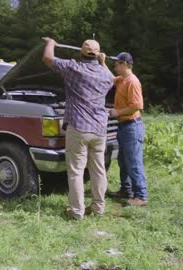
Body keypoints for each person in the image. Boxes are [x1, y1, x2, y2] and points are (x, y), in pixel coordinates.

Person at [42, 37, 114, 220]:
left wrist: (51, 43)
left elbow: (47, 59)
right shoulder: (105, 75)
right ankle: (98, 208)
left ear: (82, 52)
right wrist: (103, 62)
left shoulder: (74, 68)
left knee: (76, 171)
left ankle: (77, 212)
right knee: (98, 170)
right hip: (99, 129)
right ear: (98, 54)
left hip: (79, 128)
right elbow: (113, 80)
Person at [99, 52, 148, 207]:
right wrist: (102, 62)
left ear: (126, 64)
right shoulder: (121, 80)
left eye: (117, 64)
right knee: (123, 161)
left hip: (132, 126)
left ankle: (141, 196)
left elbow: (137, 105)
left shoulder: (132, 82)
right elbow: (109, 78)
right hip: (123, 126)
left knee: (134, 162)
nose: (115, 67)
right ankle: (126, 190)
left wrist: (117, 112)